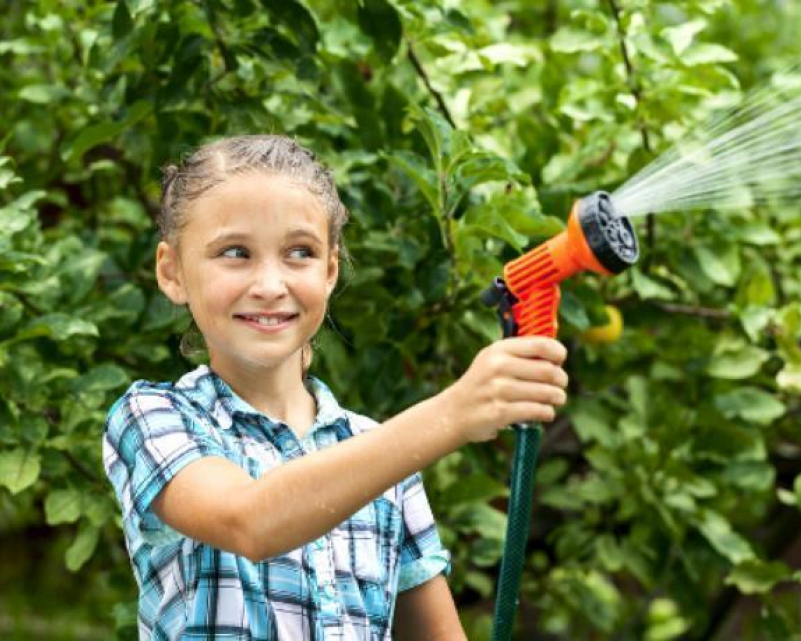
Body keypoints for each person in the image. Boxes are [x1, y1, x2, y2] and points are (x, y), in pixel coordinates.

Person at [102, 134, 568, 640]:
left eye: (299, 252)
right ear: (171, 271)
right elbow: (247, 521)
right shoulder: (153, 416)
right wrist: (455, 412)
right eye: (235, 253)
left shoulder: (380, 455)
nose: (269, 284)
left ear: (330, 269)